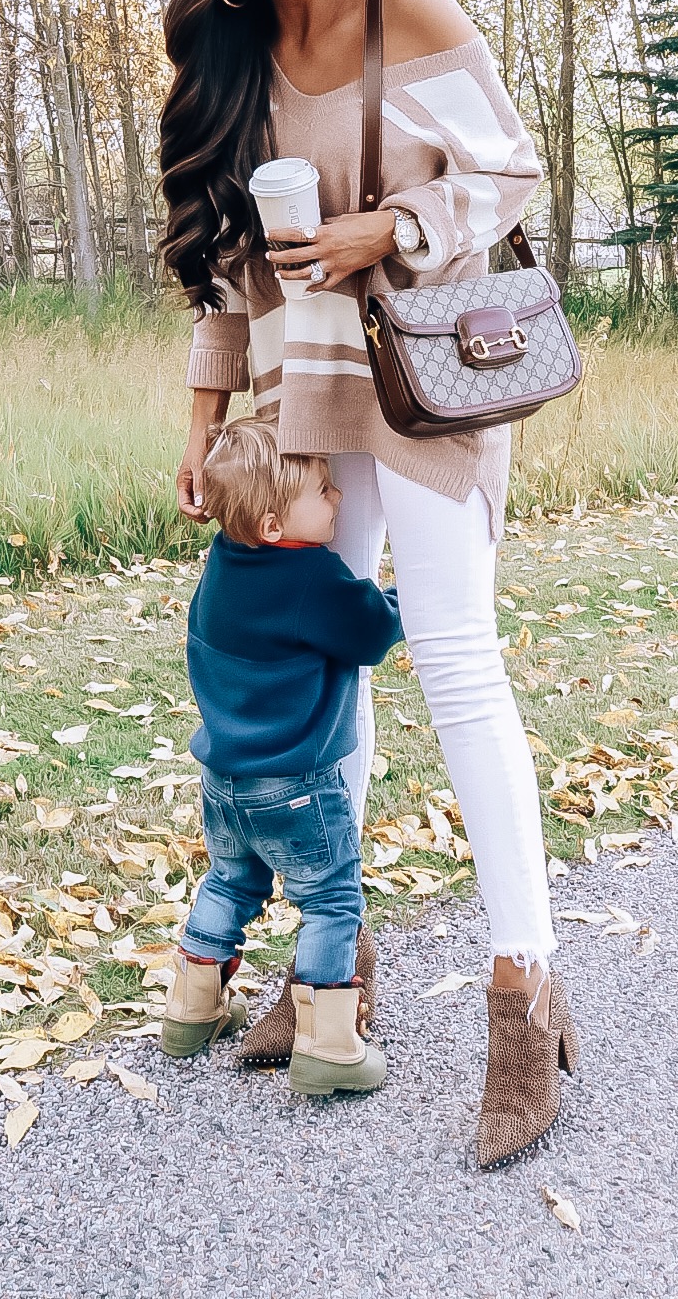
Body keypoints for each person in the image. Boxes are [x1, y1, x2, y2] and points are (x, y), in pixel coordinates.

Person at [137, 0, 580, 1170]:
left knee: (455, 658)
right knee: (335, 676)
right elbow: (222, 276)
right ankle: (339, 962)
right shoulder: (232, 62)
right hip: (301, 394)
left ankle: (526, 992)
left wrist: (383, 223)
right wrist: (207, 429)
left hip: (426, 379)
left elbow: (510, 168)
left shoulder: (406, 7)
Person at [162, 419, 401, 1094]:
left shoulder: (224, 561)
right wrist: (403, 595)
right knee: (331, 898)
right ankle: (330, 1044)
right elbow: (372, 633)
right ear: (273, 523)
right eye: (323, 489)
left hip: (224, 778)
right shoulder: (311, 577)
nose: (339, 497)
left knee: (231, 883)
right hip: (296, 783)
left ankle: (191, 1006)